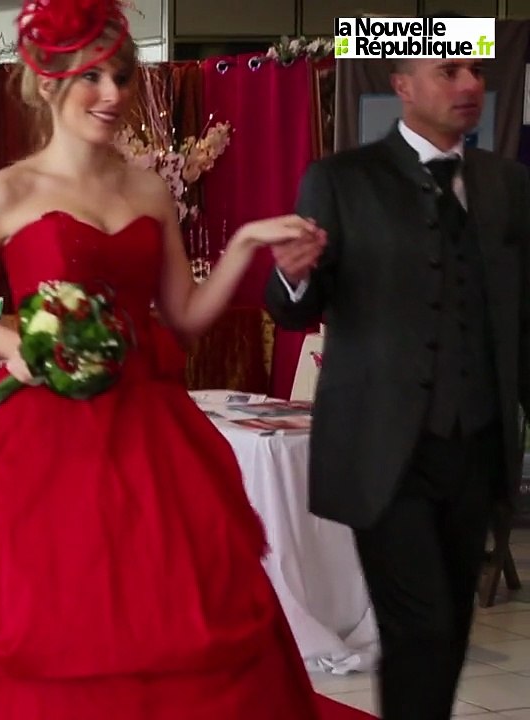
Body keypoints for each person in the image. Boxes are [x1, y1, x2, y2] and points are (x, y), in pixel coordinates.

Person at [0, 1, 324, 717]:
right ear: (47, 84)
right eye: (90, 77)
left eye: (121, 76)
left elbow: (183, 320)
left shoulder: (147, 189)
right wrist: (16, 347)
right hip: (42, 432)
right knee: (47, 603)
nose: (113, 94)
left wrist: (248, 242)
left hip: (149, 429)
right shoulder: (10, 191)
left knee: (166, 603)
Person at [264, 41, 530, 720]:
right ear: (404, 84)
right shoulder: (341, 178)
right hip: (383, 453)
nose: (470, 83)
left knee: (450, 633)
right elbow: (297, 305)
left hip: (476, 448)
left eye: (477, 70)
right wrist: (292, 272)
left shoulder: (508, 184)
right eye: (450, 70)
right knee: (423, 624)